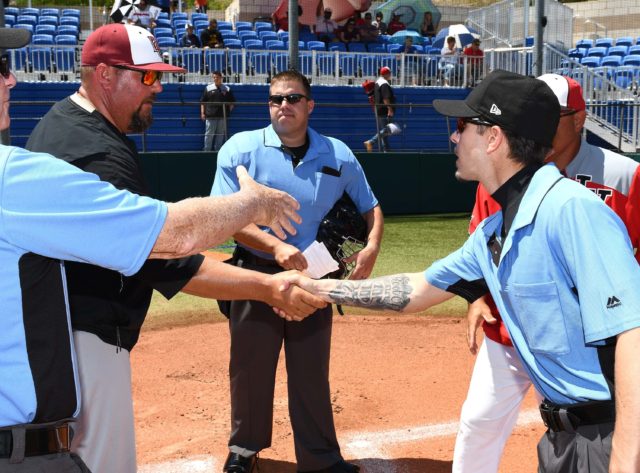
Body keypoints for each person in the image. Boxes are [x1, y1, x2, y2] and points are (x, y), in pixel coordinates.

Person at [284, 70, 640, 473]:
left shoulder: (573, 211)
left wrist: (625, 462)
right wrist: (318, 289)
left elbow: (633, 335)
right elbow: (417, 289)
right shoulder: (495, 229)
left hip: (611, 436)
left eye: (463, 127)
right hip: (564, 438)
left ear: (494, 139)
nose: (455, 138)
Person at [0, 26, 305, 473]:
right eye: (146, 77)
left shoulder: (63, 122)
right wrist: (263, 264)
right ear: (105, 75)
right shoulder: (90, 152)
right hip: (85, 344)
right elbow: (169, 249)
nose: (158, 86)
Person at [452, 73, 640, 473]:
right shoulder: (498, 173)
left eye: (556, 114)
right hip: (509, 332)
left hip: (583, 344)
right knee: (479, 422)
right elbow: (480, 252)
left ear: (579, 119)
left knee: (580, 426)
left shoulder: (624, 174)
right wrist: (475, 297)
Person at [211, 69, 384, 473]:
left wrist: (372, 245)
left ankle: (321, 459)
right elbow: (223, 218)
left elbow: (370, 206)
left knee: (310, 370)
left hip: (314, 277)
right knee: (250, 368)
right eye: (275, 99)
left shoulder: (337, 154)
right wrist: (274, 246)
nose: (283, 106)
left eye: (292, 98)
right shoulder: (241, 150)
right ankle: (244, 452)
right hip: (256, 275)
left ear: (309, 104)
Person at [364, 66, 397, 152]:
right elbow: (386, 98)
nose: (390, 74)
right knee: (389, 128)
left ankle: (386, 151)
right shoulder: (384, 83)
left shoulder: (378, 82)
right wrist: (390, 109)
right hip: (384, 111)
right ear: (386, 74)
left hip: (378, 110)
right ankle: (371, 142)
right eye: (390, 73)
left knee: (384, 133)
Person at [200, 70, 235, 152]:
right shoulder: (208, 88)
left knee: (220, 136)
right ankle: (206, 151)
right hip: (210, 117)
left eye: (217, 77)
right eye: (214, 77)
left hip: (222, 117)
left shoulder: (227, 89)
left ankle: (217, 152)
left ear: (221, 78)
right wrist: (202, 113)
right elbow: (202, 102)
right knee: (209, 135)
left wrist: (227, 112)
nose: (215, 79)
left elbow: (232, 102)